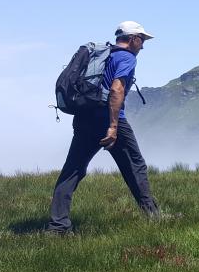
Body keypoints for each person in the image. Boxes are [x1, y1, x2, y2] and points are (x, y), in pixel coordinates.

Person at [45, 21, 168, 234]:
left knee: (73, 170)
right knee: (135, 166)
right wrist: (112, 127)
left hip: (84, 117)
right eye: (142, 41)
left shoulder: (104, 54)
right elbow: (117, 90)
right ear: (133, 39)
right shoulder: (126, 58)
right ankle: (153, 216)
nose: (143, 46)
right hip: (109, 118)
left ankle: (58, 226)